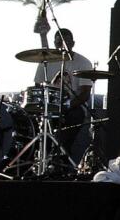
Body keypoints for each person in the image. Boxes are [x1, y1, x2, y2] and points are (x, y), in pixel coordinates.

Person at [34, 28, 93, 164]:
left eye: (66, 41)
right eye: (59, 41)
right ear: (55, 43)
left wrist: (65, 106)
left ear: (73, 43)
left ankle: (61, 159)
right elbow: (37, 87)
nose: (62, 44)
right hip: (50, 106)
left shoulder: (83, 63)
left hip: (72, 106)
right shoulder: (46, 61)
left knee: (74, 117)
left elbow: (84, 94)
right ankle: (39, 158)